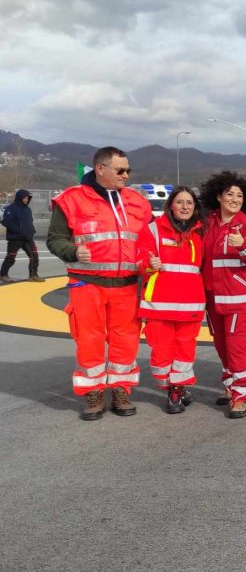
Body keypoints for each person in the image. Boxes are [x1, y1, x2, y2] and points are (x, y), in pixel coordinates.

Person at [47, 147, 151, 420]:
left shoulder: (139, 203)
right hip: (86, 283)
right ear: (101, 169)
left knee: (126, 340)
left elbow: (150, 241)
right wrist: (72, 252)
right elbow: (55, 238)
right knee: (89, 340)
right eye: (121, 170)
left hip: (128, 285)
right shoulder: (71, 199)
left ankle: (120, 389)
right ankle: (92, 394)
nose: (126, 175)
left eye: (128, 170)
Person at [137, 187, 206, 414]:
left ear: (195, 208)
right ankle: (171, 386)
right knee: (162, 350)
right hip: (159, 306)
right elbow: (139, 258)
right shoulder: (153, 231)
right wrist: (148, 264)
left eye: (189, 203)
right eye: (180, 202)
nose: (185, 207)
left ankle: (177, 387)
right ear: (171, 205)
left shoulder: (199, 235)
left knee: (186, 349)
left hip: (190, 306)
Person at [200, 171, 246, 419]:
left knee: (236, 347)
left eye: (239, 195)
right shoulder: (206, 223)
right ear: (218, 196)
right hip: (213, 298)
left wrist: (242, 245)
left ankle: (241, 395)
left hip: (240, 300)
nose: (235, 199)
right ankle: (230, 385)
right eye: (230, 194)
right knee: (222, 346)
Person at [1, 189, 43, 282]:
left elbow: (29, 222)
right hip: (15, 238)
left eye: (28, 198)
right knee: (11, 257)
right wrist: (19, 230)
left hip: (28, 237)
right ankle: (3, 274)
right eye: (25, 197)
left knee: (34, 256)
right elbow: (6, 222)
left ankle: (33, 275)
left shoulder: (28, 209)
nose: (27, 199)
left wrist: (31, 231)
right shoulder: (10, 208)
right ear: (20, 197)